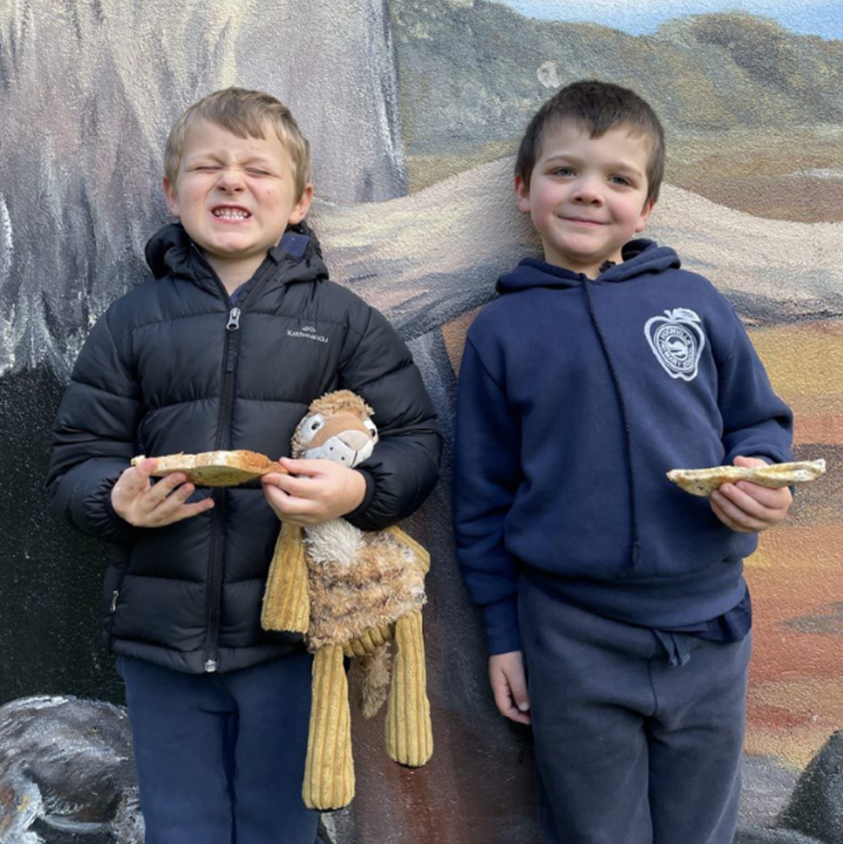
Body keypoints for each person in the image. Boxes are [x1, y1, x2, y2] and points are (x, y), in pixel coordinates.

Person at [47, 87, 441, 844]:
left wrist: (358, 488)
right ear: (172, 192)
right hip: (159, 639)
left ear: (299, 202)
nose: (231, 181)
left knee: (278, 826)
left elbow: (418, 440)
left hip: (293, 638)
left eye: (257, 169)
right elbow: (76, 460)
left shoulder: (343, 321)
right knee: (182, 826)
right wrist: (116, 499)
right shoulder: (133, 321)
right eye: (209, 167)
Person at [452, 80, 793, 844]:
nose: (587, 193)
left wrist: (761, 478)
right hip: (571, 635)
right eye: (563, 171)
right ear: (523, 189)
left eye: (617, 178)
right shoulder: (500, 331)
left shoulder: (694, 302)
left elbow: (758, 421)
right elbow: (479, 497)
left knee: (698, 829)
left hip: (710, 627)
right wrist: (503, 635)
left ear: (646, 207)